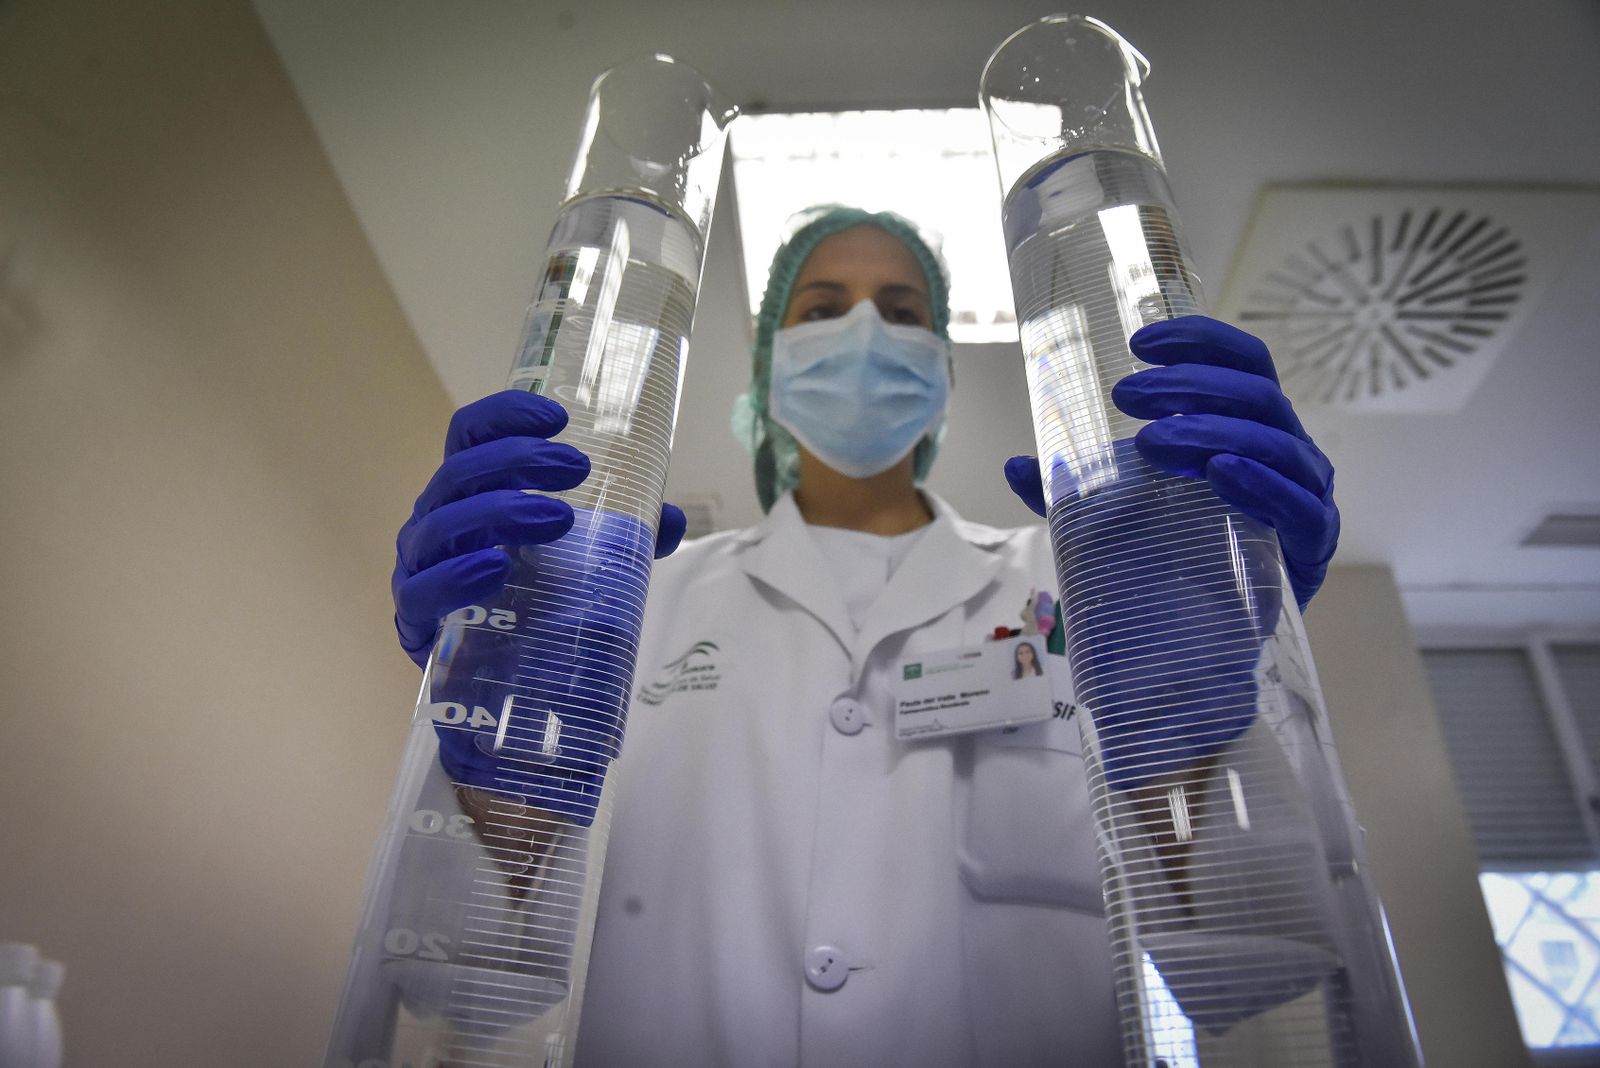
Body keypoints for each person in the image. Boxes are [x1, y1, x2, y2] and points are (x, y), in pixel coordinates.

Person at [391, 205, 1339, 1065]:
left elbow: (1245, 974)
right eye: (821, 308)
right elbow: (470, 987)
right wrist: (495, 743)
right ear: (768, 363)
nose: (864, 333)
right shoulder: (635, 602)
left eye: (901, 309)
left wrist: (1191, 717)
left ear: (944, 366)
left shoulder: (1082, 588)